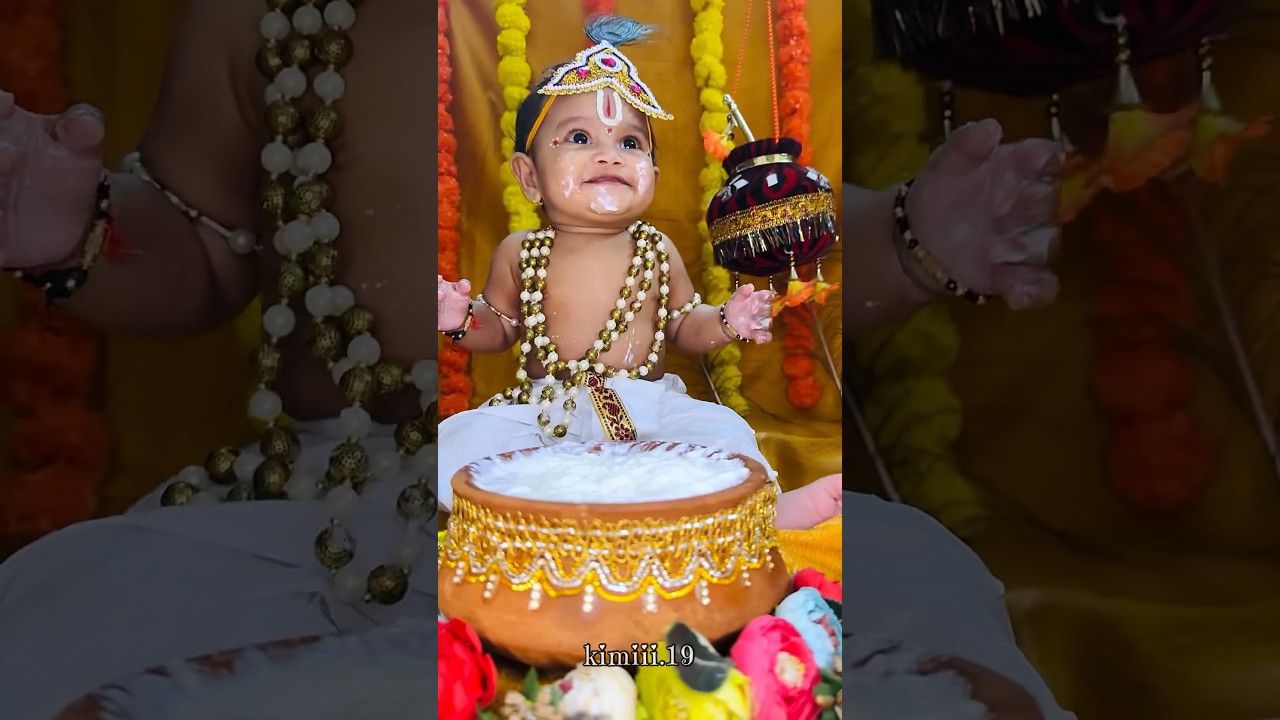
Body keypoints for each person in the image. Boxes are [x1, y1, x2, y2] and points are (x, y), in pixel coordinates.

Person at [0, 1, 1065, 717]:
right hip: (336, 507)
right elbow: (196, 236)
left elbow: (782, 243)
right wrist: (76, 230)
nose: (604, 158)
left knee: (908, 577)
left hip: (673, 499)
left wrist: (919, 239)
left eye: (623, 145)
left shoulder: (738, 22)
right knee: (81, 597)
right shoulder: (280, 14)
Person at [433, 17, 842, 532]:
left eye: (631, 143)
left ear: (653, 175)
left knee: (725, 435)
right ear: (529, 176)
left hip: (649, 412)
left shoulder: (656, 249)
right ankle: (558, 521)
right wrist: (461, 317)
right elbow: (500, 328)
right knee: (458, 443)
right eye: (579, 137)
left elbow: (683, 325)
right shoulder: (520, 251)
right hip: (545, 413)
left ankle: (762, 515)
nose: (610, 154)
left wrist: (726, 321)